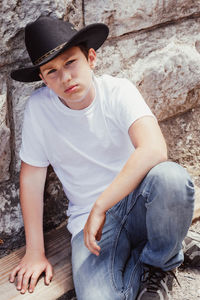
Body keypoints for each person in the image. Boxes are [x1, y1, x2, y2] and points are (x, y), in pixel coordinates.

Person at [9, 16, 198, 300]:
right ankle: (168, 244)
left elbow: (154, 149)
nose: (65, 78)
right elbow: (31, 178)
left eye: (71, 62)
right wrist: (35, 252)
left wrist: (102, 205)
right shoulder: (39, 110)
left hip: (138, 202)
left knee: (171, 178)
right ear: (42, 78)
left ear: (91, 58)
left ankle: (161, 264)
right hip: (90, 225)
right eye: (52, 71)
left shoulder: (118, 91)